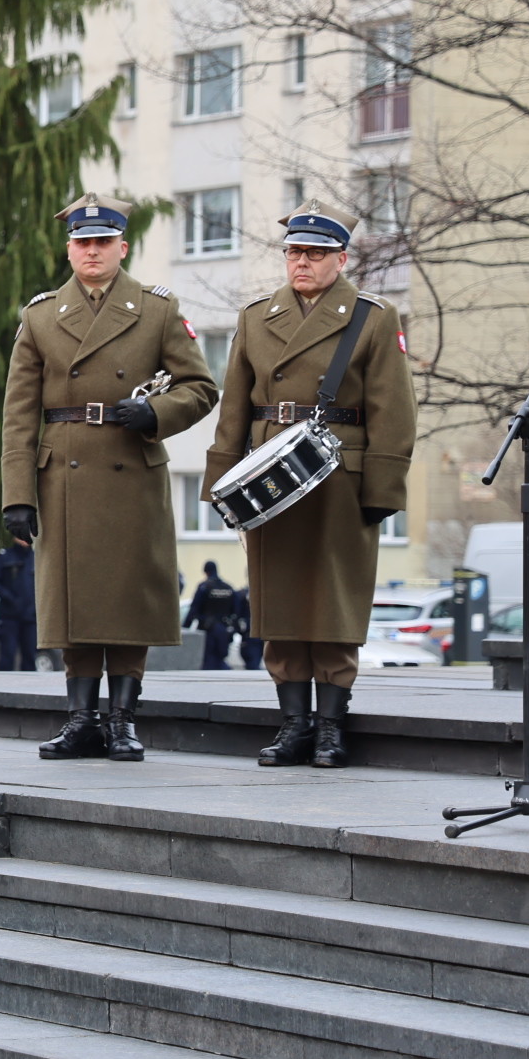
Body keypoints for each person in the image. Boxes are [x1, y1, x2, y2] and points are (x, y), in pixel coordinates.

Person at [0, 196, 219, 760]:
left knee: (127, 601)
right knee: (71, 604)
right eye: (83, 242)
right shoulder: (41, 316)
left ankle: (122, 720)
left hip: (132, 469)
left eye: (102, 242)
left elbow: (201, 388)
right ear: (68, 249)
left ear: (123, 247)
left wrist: (156, 413)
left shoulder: (157, 310)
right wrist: (17, 495)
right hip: (63, 476)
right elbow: (19, 414)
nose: (92, 252)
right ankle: (81, 720)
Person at [204, 203, 416, 768]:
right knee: (278, 604)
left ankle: (330, 729)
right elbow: (234, 406)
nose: (303, 262)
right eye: (295, 252)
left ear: (341, 259)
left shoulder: (372, 316)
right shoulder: (256, 316)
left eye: (317, 253)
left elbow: (393, 408)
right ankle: (294, 725)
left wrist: (382, 489)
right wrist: (221, 482)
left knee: (334, 603)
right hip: (269, 478)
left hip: (338, 475)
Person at [0, 533, 37, 672]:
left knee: (30, 657)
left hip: (31, 617)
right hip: (10, 616)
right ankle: (4, 684)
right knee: (7, 656)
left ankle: (29, 685)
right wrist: (10, 597)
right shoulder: (5, 557)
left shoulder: (36, 558)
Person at [186, 560, 239, 672]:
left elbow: (194, 608)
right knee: (221, 660)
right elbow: (236, 611)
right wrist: (233, 629)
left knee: (208, 662)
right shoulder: (228, 588)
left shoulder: (204, 587)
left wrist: (185, 627)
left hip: (208, 630)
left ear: (206, 572)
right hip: (224, 629)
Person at [234, 586, 264, 670]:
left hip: (251, 633)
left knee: (253, 663)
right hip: (253, 633)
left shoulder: (242, 594)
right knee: (253, 663)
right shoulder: (243, 594)